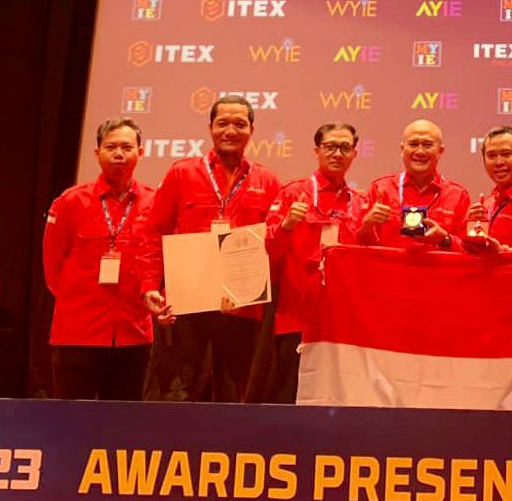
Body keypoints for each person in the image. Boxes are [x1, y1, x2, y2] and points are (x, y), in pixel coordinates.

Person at [137, 94, 281, 402]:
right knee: (176, 395)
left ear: (251, 130)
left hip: (241, 306)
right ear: (210, 128)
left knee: (234, 399)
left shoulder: (267, 180)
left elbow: (273, 241)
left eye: (239, 124)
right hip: (186, 305)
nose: (230, 131)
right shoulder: (182, 173)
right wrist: (150, 285)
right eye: (222, 123)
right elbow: (153, 232)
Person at [43, 117, 155, 400]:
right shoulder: (70, 201)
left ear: (141, 152)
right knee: (70, 420)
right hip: (76, 334)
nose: (119, 154)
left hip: (132, 335)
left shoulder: (154, 202)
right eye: (111, 147)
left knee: (123, 422)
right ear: (97, 153)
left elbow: (158, 261)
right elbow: (52, 267)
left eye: (127, 147)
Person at [265, 122, 368, 403]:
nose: (337, 153)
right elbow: (268, 251)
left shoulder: (361, 203)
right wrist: (286, 225)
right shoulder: (293, 193)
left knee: (337, 400)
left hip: (343, 324)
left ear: (354, 154)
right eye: (330, 146)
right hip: (296, 318)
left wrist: (369, 229)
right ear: (316, 151)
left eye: (345, 147)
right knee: (289, 401)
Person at [358, 119, 470, 250]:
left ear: (440, 151)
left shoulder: (458, 195)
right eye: (413, 144)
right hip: (390, 264)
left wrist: (444, 239)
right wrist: (367, 225)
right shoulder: (380, 189)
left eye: (427, 145)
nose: (420, 151)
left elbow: (468, 250)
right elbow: (359, 247)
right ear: (402, 149)